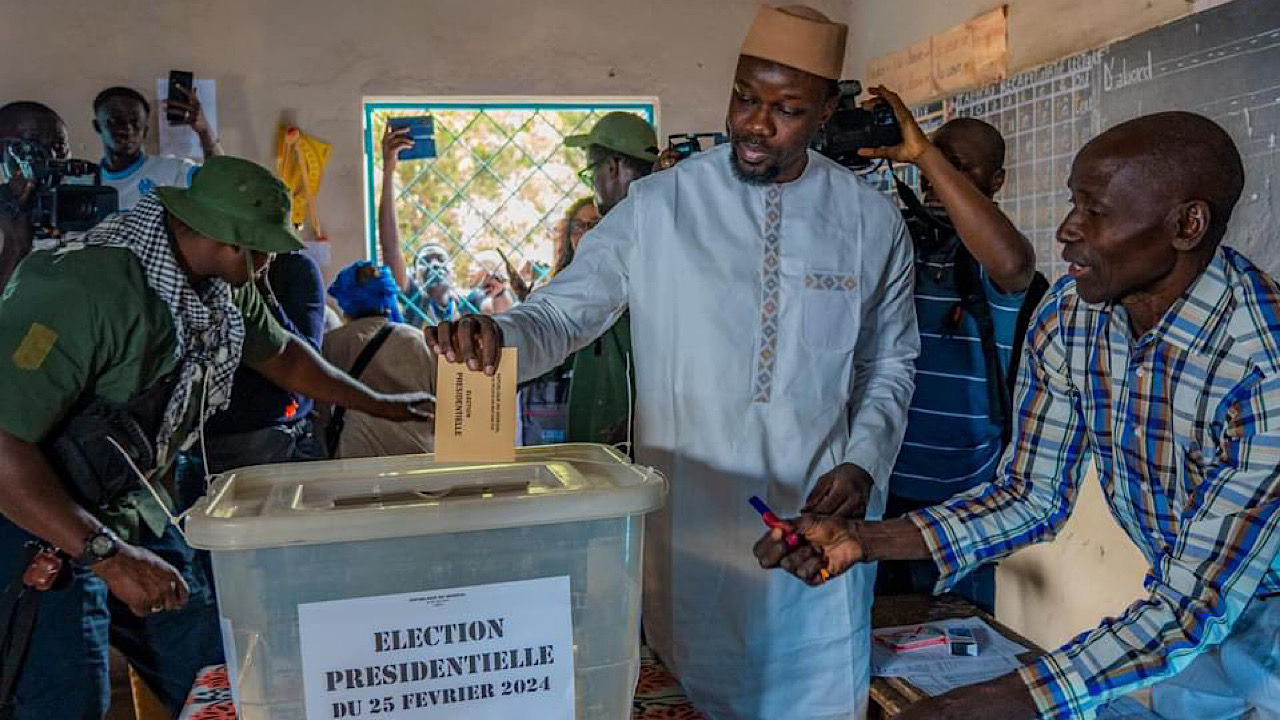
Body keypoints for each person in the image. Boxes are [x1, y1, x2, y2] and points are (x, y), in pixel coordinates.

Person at [426, 6, 918, 717]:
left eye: (785, 109)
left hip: (817, 538)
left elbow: (890, 363)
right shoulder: (661, 206)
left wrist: (864, 460)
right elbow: (564, 313)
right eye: (745, 97)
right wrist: (499, 339)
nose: (755, 124)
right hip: (691, 537)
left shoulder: (871, 221)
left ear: (824, 113)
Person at [757, 112, 1280, 720]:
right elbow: (1030, 495)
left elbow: (1191, 608)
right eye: (1071, 204)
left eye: (1095, 212)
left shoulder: (1263, 367)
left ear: (1187, 225)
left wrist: (985, 704)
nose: (1066, 231)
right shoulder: (1072, 315)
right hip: (1201, 615)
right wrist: (865, 539)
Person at [0, 156, 431, 719]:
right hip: (40, 520)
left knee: (218, 676)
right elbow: (5, 446)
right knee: (68, 699)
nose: (273, 261)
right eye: (264, 247)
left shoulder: (215, 290)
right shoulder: (86, 288)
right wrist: (109, 557)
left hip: (133, 505)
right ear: (230, 241)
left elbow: (283, 355)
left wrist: (383, 404)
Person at [864, 87, 1040, 613]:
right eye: (932, 160)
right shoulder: (897, 242)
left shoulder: (994, 259)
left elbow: (1014, 265)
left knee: (961, 639)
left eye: (956, 166)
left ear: (996, 181)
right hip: (880, 485)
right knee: (875, 639)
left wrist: (925, 154)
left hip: (966, 496)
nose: (933, 175)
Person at [562, 111, 658, 447]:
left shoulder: (645, 234)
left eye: (592, 171)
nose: (592, 184)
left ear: (612, 167)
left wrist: (644, 416)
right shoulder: (657, 225)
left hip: (631, 428)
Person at [197, 250, 330, 474]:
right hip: (206, 436)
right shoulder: (207, 265)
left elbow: (304, 359)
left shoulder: (294, 270)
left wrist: (264, 294)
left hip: (275, 431)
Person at [321, 261, 437, 458]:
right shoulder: (418, 340)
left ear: (345, 302)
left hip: (356, 458)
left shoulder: (332, 344)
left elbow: (321, 413)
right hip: (418, 457)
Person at [377, 124, 466, 325]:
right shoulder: (414, 301)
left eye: (440, 259)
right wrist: (388, 170)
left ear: (453, 272)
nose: (435, 265)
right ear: (415, 276)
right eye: (425, 261)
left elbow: (498, 309)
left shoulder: (468, 303)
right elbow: (390, 249)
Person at [92, 86, 221, 211]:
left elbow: (221, 186)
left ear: (145, 131)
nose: (127, 129)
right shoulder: (86, 183)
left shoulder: (173, 171)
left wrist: (204, 132)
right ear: (98, 126)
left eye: (135, 123)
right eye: (116, 121)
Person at [0, 102, 70, 288]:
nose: (51, 155)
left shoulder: (83, 208)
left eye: (60, 145)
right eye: (32, 144)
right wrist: (15, 247)